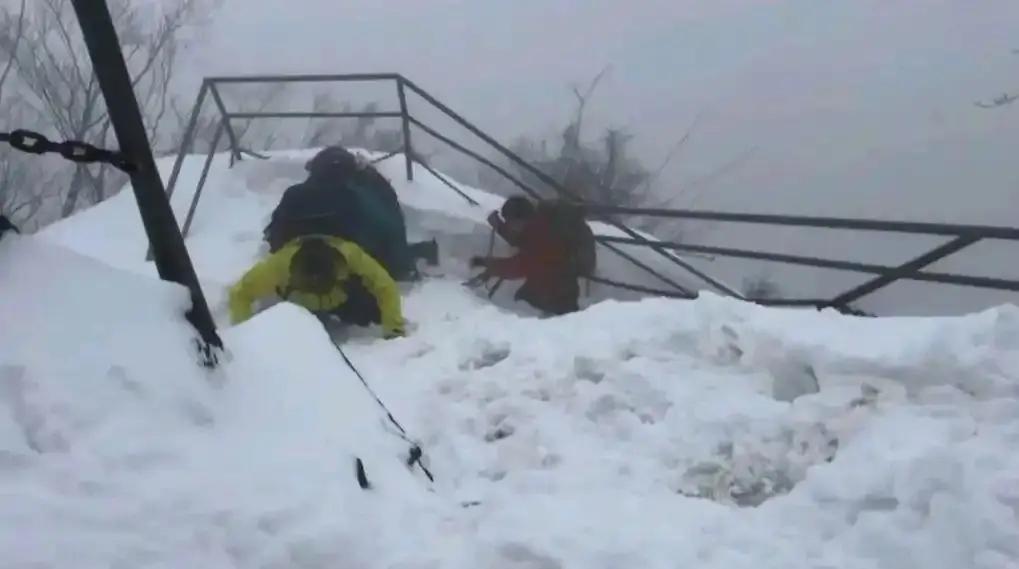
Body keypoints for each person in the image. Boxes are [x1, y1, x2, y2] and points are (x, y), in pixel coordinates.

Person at [263, 145, 436, 281]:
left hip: (298, 268)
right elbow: (388, 230)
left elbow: (273, 234)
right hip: (349, 272)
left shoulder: (294, 195)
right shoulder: (353, 198)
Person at [229, 234, 406, 338]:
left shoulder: (351, 256)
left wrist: (394, 328)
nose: (315, 283)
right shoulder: (279, 265)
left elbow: (385, 286)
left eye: (320, 282)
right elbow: (240, 293)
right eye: (309, 282)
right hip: (299, 309)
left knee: (369, 312)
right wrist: (244, 336)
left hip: (343, 302)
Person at [469, 195, 596, 316]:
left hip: (557, 293)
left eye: (510, 222)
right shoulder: (538, 225)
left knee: (529, 313)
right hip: (554, 285)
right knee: (523, 304)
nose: (509, 226)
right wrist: (500, 227)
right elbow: (522, 240)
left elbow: (521, 266)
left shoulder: (542, 234)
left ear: (521, 220)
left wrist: (487, 264)